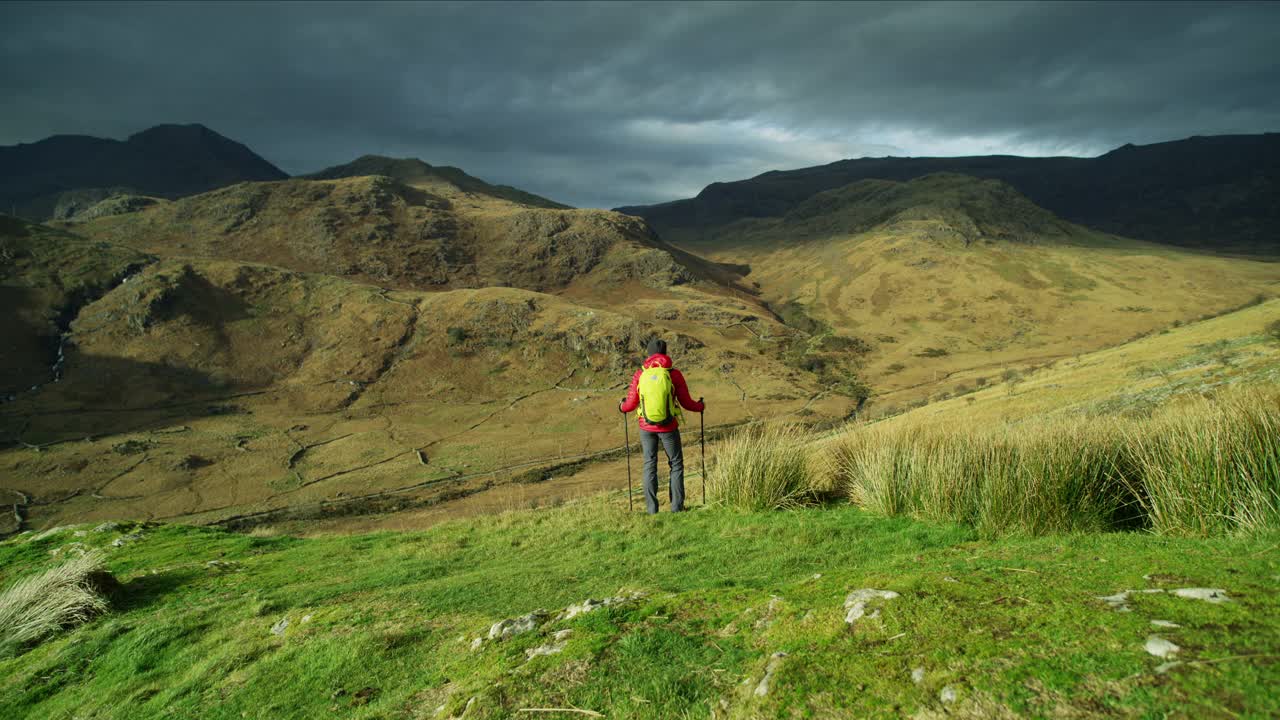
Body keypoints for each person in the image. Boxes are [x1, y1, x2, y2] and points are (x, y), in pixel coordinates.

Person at [619, 338, 705, 513]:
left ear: (649, 354)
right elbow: (687, 403)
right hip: (668, 427)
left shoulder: (640, 374)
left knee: (649, 464)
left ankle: (652, 510)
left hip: (646, 427)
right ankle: (677, 508)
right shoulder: (673, 374)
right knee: (676, 464)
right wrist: (700, 406)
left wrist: (621, 406)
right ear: (666, 353)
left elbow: (630, 405)